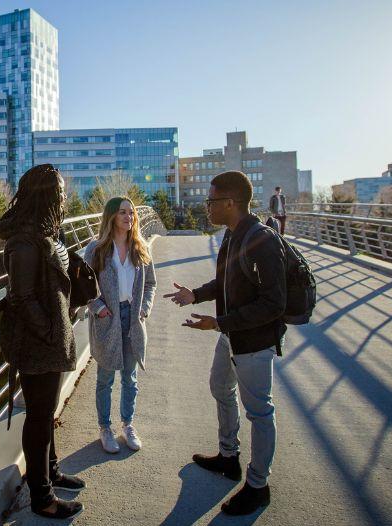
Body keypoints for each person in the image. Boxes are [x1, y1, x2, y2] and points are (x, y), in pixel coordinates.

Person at [166, 171, 286, 516]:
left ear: (230, 203)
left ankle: (258, 486)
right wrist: (196, 295)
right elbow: (226, 281)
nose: (207, 207)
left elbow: (273, 303)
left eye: (211, 201)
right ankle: (228, 456)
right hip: (231, 334)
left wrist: (219, 322)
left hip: (255, 342)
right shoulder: (232, 236)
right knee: (220, 387)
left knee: (260, 412)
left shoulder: (263, 239)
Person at [0, 164, 85, 520]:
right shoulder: (24, 241)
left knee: (46, 413)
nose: (65, 196)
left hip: (51, 337)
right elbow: (22, 297)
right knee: (37, 417)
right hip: (37, 342)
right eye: (60, 191)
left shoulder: (47, 231)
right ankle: (42, 498)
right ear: (44, 194)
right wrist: (50, 332)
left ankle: (51, 471)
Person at [83, 197, 156, 453]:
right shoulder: (96, 249)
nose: (129, 217)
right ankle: (105, 428)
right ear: (112, 216)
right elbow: (85, 287)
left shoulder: (141, 247)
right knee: (105, 378)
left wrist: (144, 309)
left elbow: (150, 284)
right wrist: (99, 309)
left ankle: (128, 424)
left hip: (133, 318)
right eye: (123, 212)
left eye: (132, 213)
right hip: (108, 318)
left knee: (130, 377)